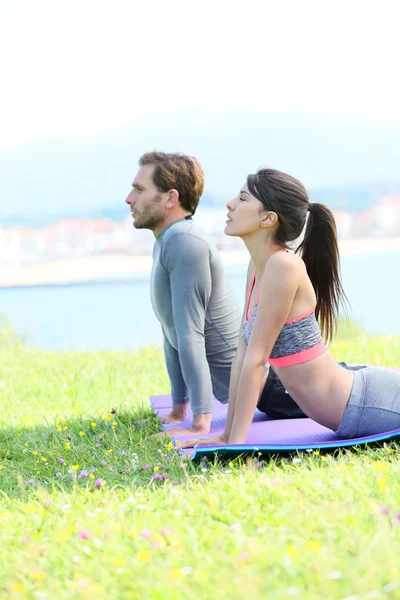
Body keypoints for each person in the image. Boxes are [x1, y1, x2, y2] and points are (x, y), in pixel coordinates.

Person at [181, 168, 400, 448]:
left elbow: (258, 362)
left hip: (365, 404)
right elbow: (243, 358)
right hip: (354, 400)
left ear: (268, 218)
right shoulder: (259, 268)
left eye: (243, 198)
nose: (230, 204)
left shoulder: (284, 266)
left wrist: (235, 444)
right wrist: (227, 437)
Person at [125, 151, 241, 435]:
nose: (129, 198)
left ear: (170, 198)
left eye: (139, 189)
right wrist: (179, 411)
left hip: (276, 389)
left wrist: (200, 424)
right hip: (260, 386)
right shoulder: (168, 239)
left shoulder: (184, 241)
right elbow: (171, 332)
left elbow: (191, 334)